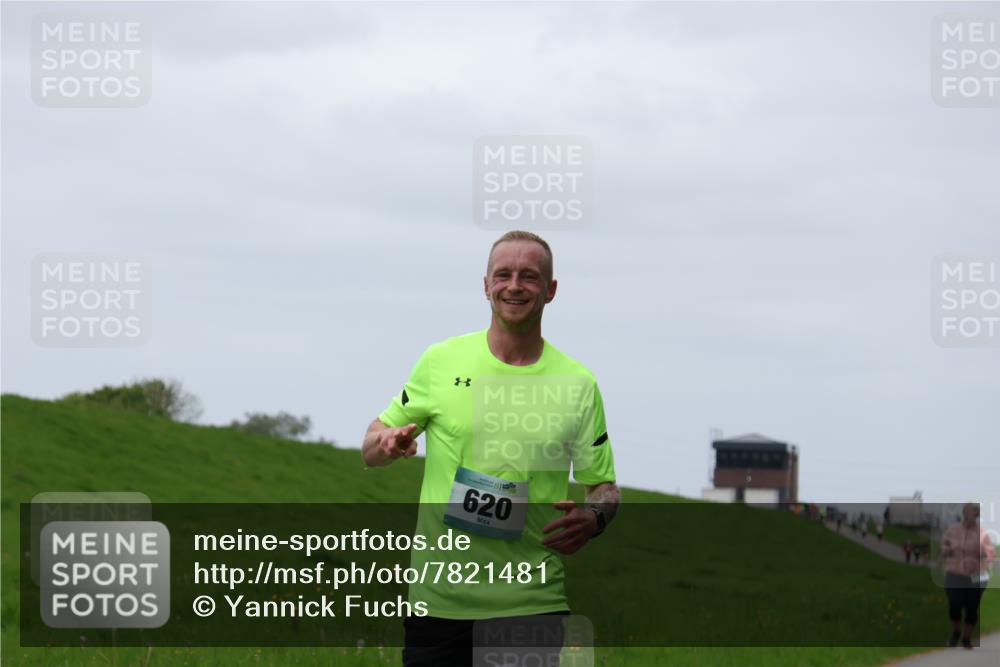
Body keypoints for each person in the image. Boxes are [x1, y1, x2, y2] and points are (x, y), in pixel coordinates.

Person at [362, 231, 620, 666]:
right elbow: (370, 446)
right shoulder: (441, 361)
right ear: (486, 285)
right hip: (439, 601)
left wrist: (593, 518)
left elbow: (604, 488)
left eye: (529, 276)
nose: (514, 285)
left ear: (551, 290)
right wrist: (386, 443)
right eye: (503, 275)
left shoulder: (578, 385)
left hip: (530, 601)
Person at [940, 503, 996, 650]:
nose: (969, 516)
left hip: (975, 576)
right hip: (954, 573)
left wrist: (985, 556)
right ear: (963, 513)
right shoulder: (953, 530)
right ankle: (956, 631)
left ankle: (966, 638)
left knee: (971, 608)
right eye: (967, 513)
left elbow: (991, 553)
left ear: (977, 516)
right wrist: (947, 549)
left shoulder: (982, 534)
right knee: (955, 605)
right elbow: (944, 545)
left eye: (972, 514)